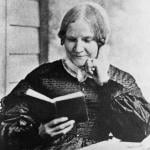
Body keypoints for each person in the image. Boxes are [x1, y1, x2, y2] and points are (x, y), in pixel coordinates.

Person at [0, 2, 150, 150]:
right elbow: (5, 131)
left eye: (87, 40)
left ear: (101, 42)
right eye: (71, 39)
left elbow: (139, 132)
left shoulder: (120, 79)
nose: (78, 49)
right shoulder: (42, 76)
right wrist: (38, 133)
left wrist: (106, 83)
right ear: (63, 39)